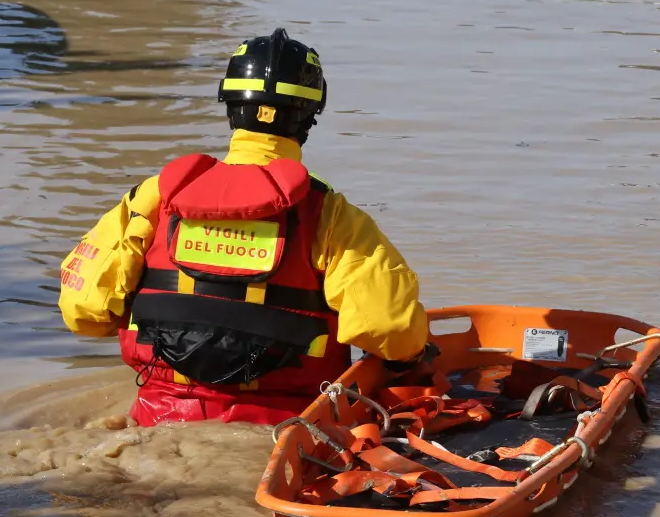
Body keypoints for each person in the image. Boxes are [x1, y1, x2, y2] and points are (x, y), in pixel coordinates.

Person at [59, 28, 430, 426]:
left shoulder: (153, 198)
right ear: (309, 117)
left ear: (231, 106)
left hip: (157, 418)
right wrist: (413, 359)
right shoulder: (332, 215)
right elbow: (386, 326)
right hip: (288, 429)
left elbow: (84, 311)